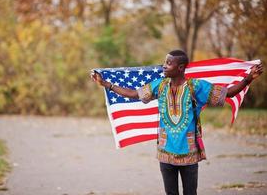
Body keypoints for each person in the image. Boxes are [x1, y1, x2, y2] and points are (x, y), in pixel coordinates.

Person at [91, 50, 263, 195]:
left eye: (168, 63)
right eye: (165, 62)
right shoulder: (160, 85)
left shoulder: (195, 87)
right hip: (165, 153)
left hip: (189, 154)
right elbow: (134, 94)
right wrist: (106, 84)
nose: (164, 66)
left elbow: (228, 93)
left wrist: (248, 79)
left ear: (180, 67)